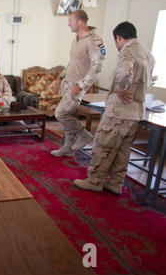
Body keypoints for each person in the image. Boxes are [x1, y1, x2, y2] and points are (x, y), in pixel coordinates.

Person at [73, 22, 155, 195]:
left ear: (118, 37)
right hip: (135, 112)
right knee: (123, 151)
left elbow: (124, 73)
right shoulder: (147, 53)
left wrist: (122, 88)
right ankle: (116, 183)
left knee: (104, 145)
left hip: (119, 111)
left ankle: (94, 180)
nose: (116, 45)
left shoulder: (128, 51)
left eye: (115, 41)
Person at [51, 10, 106, 157]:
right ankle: (68, 148)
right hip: (67, 83)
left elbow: (97, 68)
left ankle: (84, 135)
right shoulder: (76, 39)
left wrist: (81, 86)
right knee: (70, 116)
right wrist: (61, 76)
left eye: (70, 21)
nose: (68, 23)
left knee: (60, 113)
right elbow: (72, 62)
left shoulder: (94, 41)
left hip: (77, 86)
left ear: (80, 22)